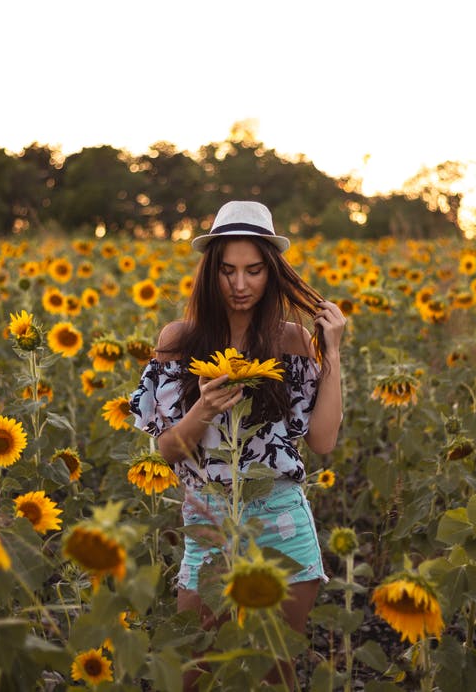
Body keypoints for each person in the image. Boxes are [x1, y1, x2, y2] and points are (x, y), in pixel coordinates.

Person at [130, 200, 346, 689]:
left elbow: (323, 440)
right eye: (228, 270)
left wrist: (330, 353)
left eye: (253, 270)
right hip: (209, 525)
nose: (240, 284)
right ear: (211, 273)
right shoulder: (179, 340)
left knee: (274, 672)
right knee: (197, 668)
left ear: (271, 273)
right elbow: (166, 451)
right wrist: (203, 408)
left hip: (282, 523)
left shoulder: (290, 341)